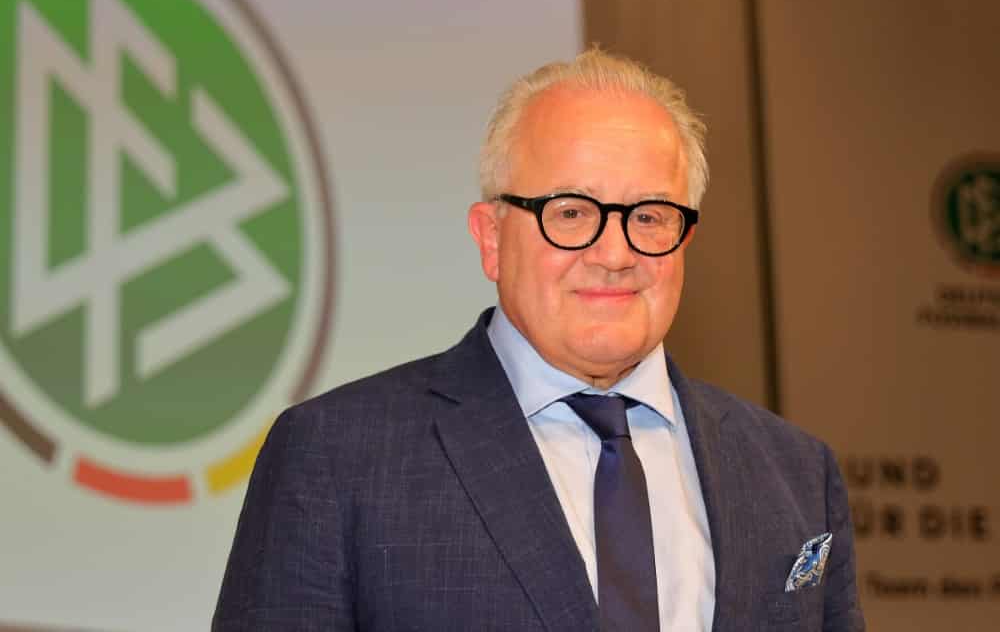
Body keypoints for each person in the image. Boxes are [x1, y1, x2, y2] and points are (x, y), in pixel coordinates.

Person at [213, 49, 865, 631]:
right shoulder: (338, 457)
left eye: (649, 216)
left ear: (684, 238)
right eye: (571, 213)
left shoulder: (796, 473)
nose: (615, 254)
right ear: (492, 238)